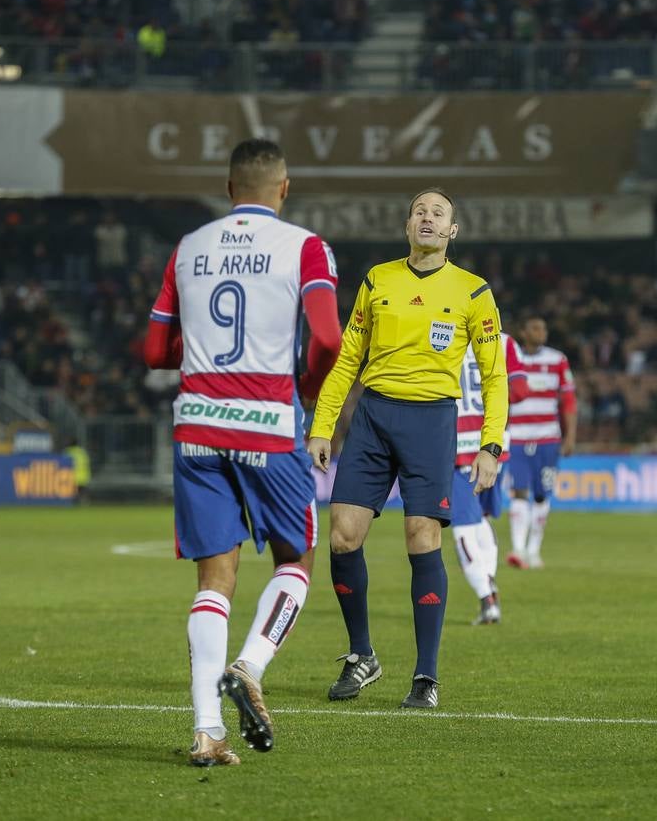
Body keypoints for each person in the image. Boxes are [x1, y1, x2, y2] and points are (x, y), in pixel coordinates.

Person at [144, 139, 342, 767]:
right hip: (268, 425)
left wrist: (200, 358)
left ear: (228, 189)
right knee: (296, 561)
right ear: (284, 188)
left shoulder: (189, 247)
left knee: (213, 581)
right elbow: (330, 338)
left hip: (198, 427)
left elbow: (153, 352)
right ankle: (251, 666)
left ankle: (207, 732)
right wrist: (305, 391)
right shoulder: (306, 247)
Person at [307, 187, 508, 710]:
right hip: (374, 417)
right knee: (343, 538)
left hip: (431, 422)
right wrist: (322, 425)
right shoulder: (378, 279)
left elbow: (494, 374)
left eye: (438, 213)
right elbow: (349, 357)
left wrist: (492, 443)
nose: (427, 217)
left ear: (451, 232)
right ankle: (361, 655)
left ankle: (426, 676)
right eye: (420, 210)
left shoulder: (473, 291)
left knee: (422, 540)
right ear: (407, 225)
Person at [451, 334, 527, 625]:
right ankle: (489, 582)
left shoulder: (441, 333)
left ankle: (487, 599)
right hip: (495, 446)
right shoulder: (504, 341)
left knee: (462, 526)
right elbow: (520, 389)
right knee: (481, 518)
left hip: (457, 445)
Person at [506, 315, 577, 570]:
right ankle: (518, 549)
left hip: (548, 438)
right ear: (523, 332)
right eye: (535, 328)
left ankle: (534, 550)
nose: (541, 332)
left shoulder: (557, 360)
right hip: (516, 438)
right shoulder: (511, 357)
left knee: (540, 496)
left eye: (544, 327)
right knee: (519, 492)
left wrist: (570, 436)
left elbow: (568, 401)